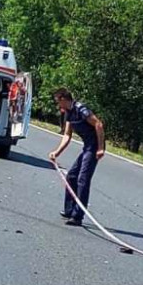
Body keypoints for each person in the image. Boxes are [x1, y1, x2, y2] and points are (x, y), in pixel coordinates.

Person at [48, 88, 106, 226]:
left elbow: (98, 124)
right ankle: (69, 210)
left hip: (94, 147)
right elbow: (67, 135)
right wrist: (57, 152)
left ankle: (77, 216)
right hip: (87, 147)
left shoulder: (81, 109)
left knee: (83, 179)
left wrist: (101, 148)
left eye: (58, 101)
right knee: (71, 176)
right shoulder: (68, 113)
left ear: (63, 99)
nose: (57, 105)